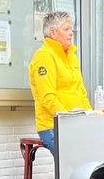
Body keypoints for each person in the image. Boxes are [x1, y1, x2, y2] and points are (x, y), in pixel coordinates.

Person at [28, 11, 89, 154]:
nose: (71, 33)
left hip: (75, 124)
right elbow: (47, 97)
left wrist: (90, 116)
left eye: (71, 29)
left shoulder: (71, 57)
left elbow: (81, 92)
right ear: (53, 33)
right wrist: (68, 119)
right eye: (66, 29)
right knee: (74, 159)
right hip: (53, 126)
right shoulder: (44, 56)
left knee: (97, 155)